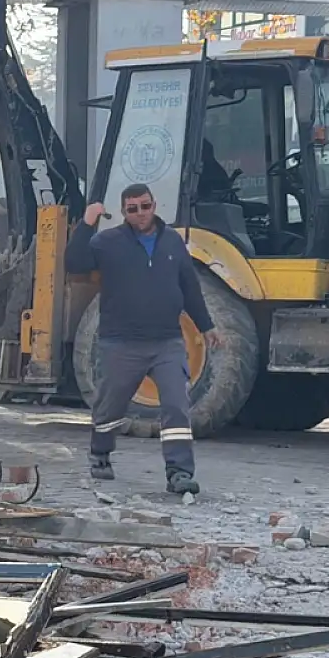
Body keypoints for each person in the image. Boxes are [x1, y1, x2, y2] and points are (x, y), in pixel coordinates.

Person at [66, 183, 220, 495]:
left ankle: (179, 472)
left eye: (145, 206)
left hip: (167, 342)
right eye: (133, 209)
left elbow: (189, 286)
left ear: (154, 205)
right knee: (111, 406)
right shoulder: (108, 242)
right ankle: (100, 453)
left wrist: (207, 326)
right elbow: (74, 263)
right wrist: (87, 222)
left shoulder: (173, 241)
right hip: (121, 343)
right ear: (124, 212)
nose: (140, 213)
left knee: (177, 405)